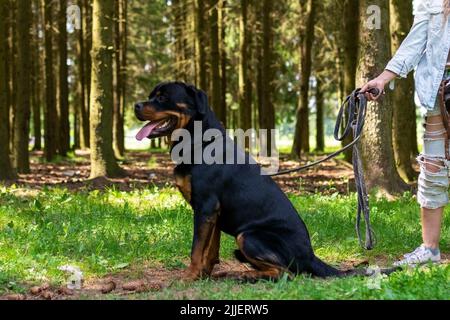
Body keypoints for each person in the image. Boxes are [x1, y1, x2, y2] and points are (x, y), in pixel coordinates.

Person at [361, 0, 450, 266]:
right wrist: (381, 80)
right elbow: (415, 42)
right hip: (439, 93)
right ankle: (430, 250)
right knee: (433, 171)